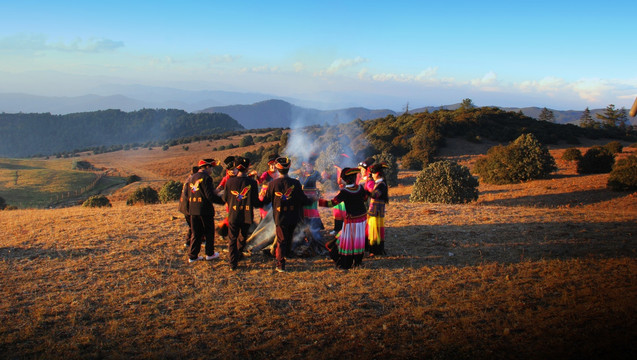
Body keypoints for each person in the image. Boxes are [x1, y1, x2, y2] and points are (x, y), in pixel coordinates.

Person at [261, 157, 314, 272]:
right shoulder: (295, 183)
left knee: (281, 240)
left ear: (277, 169)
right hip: (293, 215)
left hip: (280, 216)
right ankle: (288, 254)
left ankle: (280, 264)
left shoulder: (273, 184)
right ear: (289, 168)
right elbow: (303, 200)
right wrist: (313, 199)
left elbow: (266, 201)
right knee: (289, 236)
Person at [318, 167, 369, 269]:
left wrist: (319, 201)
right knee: (358, 240)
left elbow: (332, 203)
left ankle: (346, 262)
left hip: (352, 220)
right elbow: (365, 198)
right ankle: (358, 262)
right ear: (354, 178)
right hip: (362, 218)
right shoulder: (359, 188)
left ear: (345, 180)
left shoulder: (345, 192)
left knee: (348, 241)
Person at [222, 156, 262, 270]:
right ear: (247, 168)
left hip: (233, 214)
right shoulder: (252, 183)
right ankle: (238, 254)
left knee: (232, 238)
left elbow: (225, 198)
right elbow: (255, 202)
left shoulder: (230, 181)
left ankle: (232, 262)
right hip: (247, 215)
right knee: (243, 237)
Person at [186, 159, 225, 263]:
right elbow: (209, 196)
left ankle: (193, 256)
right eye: (211, 167)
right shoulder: (206, 178)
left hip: (193, 209)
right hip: (204, 210)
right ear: (207, 167)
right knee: (209, 232)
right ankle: (210, 253)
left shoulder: (192, 177)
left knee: (196, 233)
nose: (212, 170)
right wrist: (223, 201)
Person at [297, 154, 327, 251]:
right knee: (304, 213)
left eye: (310, 165)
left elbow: (322, 181)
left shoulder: (316, 173)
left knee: (313, 213)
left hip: (313, 196)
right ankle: (306, 231)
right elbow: (299, 183)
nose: (308, 167)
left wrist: (325, 177)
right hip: (304, 196)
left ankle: (314, 229)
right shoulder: (302, 174)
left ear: (313, 166)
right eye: (306, 165)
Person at [367, 163, 389, 256]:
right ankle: (374, 250)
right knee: (374, 231)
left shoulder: (381, 184)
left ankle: (376, 251)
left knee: (376, 232)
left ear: (377, 174)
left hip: (377, 211)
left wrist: (364, 191)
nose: (371, 175)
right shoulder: (379, 183)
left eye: (373, 173)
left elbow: (375, 195)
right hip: (374, 211)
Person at [216, 156, 237, 239]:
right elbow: (220, 186)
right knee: (231, 217)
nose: (234, 170)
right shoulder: (226, 178)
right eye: (232, 169)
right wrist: (214, 192)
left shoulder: (239, 176)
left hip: (240, 200)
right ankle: (222, 231)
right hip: (230, 201)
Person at [178, 165, 200, 247]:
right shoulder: (192, 181)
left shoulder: (189, 179)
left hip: (184, 206)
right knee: (195, 226)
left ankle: (188, 241)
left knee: (192, 225)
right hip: (188, 206)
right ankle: (190, 242)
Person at [257, 153, 280, 220]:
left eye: (275, 165)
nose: (273, 167)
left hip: (275, 196)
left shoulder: (279, 174)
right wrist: (258, 176)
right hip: (265, 196)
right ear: (269, 165)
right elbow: (260, 181)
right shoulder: (266, 173)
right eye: (271, 165)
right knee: (265, 216)